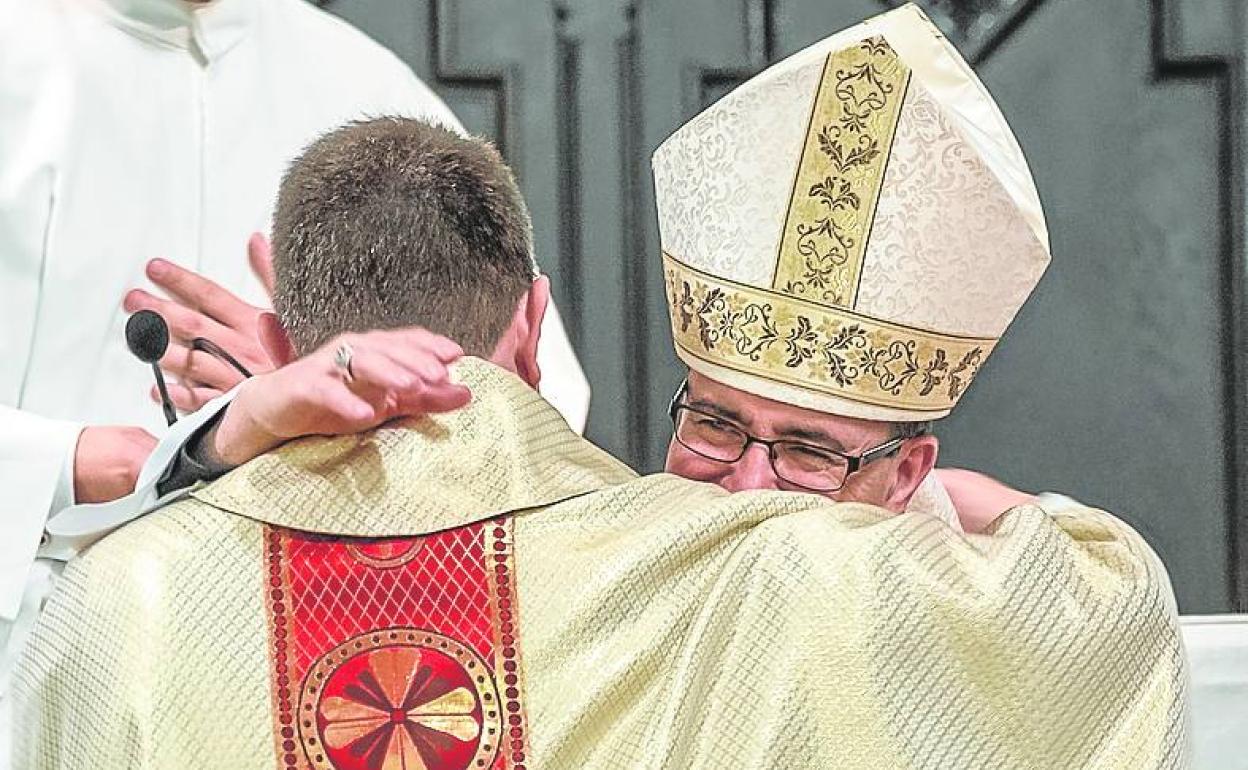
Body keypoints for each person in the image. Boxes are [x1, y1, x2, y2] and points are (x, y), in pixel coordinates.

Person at [18, 8, 1187, 768]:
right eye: (719, 422)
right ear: (533, 323)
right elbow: (1099, 612)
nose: (749, 491)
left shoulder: (123, 609)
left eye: (814, 452)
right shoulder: (751, 578)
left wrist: (260, 466)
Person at [0, 0, 589, 754]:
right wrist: (85, 465)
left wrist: (367, 406)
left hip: (316, 697)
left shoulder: (372, 91)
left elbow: (535, 419)